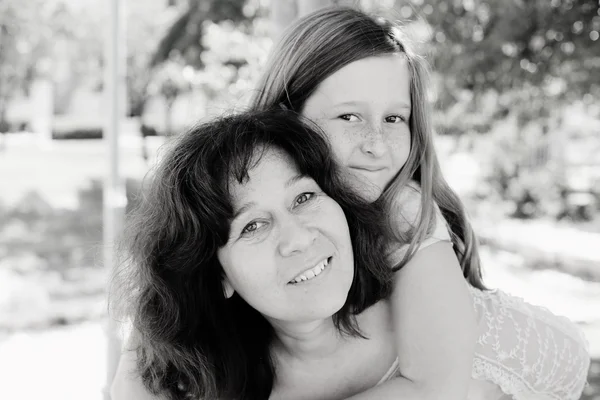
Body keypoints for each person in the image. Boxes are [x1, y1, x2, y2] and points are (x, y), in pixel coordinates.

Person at [249, 6, 591, 400]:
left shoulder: (402, 208)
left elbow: (434, 387)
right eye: (348, 117)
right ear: (285, 115)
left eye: (395, 119)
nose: (376, 145)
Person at [110, 109, 404, 399]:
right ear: (218, 276)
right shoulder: (211, 387)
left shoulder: (428, 324)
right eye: (252, 226)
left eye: (304, 197)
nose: (298, 238)